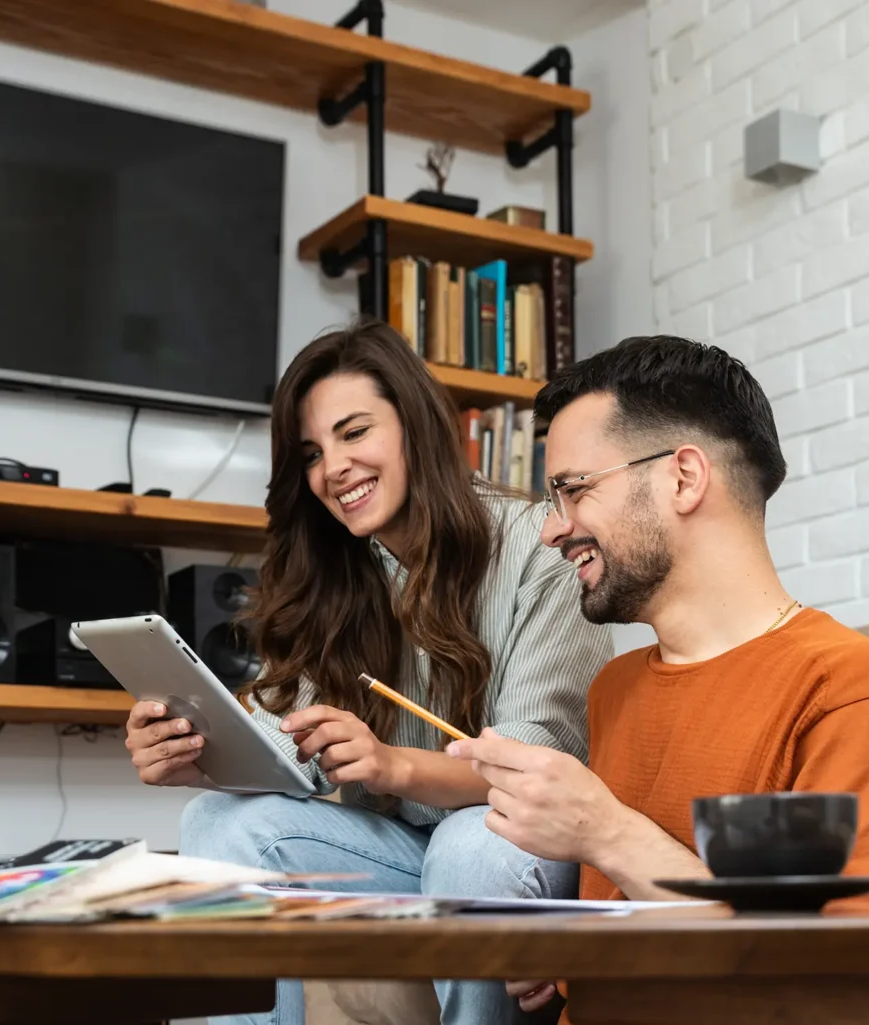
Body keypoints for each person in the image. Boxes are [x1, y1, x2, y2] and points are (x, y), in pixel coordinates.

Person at [445, 335, 869, 1016]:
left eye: (573, 490)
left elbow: (859, 981)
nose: (551, 530)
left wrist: (607, 832)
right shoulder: (616, 690)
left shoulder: (862, 692)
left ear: (684, 477)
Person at [123, 319, 614, 1025]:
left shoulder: (537, 546)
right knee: (217, 820)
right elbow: (280, 744)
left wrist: (392, 766)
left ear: (414, 425)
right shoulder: (337, 573)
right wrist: (194, 753)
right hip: (406, 855)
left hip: (518, 844)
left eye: (355, 433)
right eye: (314, 453)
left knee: (469, 842)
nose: (333, 468)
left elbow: (537, 763)